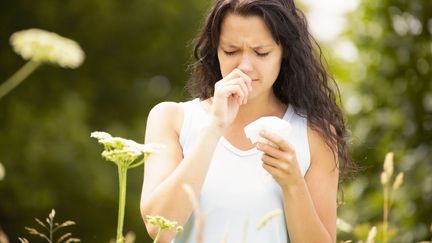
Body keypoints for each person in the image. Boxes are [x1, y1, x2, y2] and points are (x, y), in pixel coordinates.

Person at [140, 0, 353, 242]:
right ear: (215, 51)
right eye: (231, 51)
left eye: (261, 52)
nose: (245, 66)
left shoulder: (313, 133)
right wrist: (214, 128)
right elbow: (159, 229)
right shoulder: (171, 119)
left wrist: (293, 184)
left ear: (284, 52)